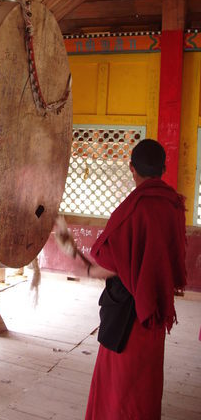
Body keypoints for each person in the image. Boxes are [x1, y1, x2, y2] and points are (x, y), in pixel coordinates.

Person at [83, 139, 187, 420]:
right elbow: (175, 255)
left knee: (118, 383)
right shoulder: (174, 205)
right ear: (164, 168)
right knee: (147, 383)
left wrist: (103, 269)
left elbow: (105, 256)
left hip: (128, 313)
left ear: (131, 168)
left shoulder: (133, 207)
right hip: (154, 307)